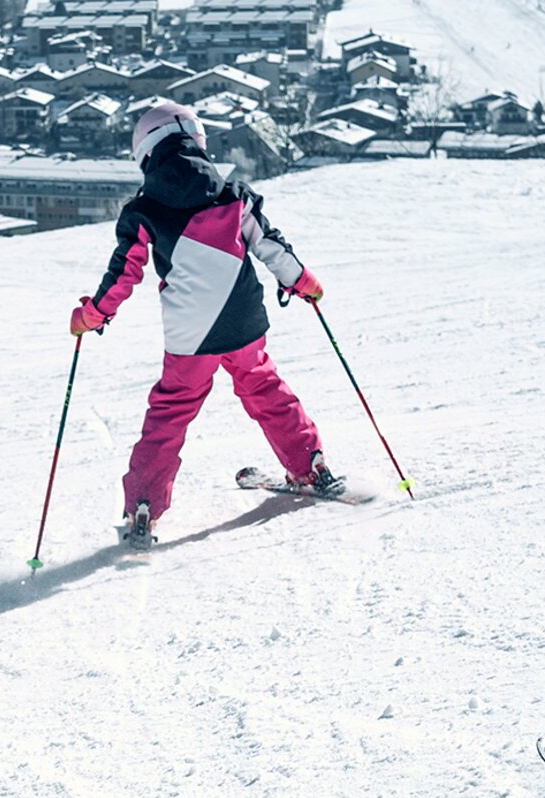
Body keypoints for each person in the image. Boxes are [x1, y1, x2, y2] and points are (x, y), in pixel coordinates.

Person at [71, 101, 342, 546]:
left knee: (171, 410)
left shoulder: (145, 209)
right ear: (198, 141)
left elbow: (125, 274)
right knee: (264, 386)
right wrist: (302, 281)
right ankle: (310, 464)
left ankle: (144, 507)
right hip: (243, 321)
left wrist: (92, 315)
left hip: (189, 336)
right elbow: (270, 247)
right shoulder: (235, 195)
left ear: (146, 153)